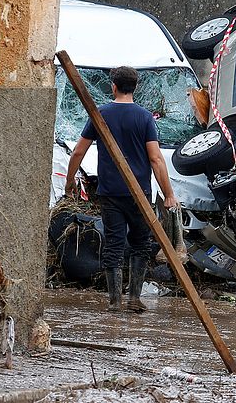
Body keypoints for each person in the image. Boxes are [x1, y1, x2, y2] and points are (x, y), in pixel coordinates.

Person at [65, 66, 178, 312]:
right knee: (140, 244)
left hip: (110, 193)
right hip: (139, 194)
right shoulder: (144, 117)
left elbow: (79, 151)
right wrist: (168, 194)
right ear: (135, 87)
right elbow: (156, 159)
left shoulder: (100, 114)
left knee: (114, 244)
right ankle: (134, 298)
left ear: (113, 86)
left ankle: (115, 302)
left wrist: (70, 180)